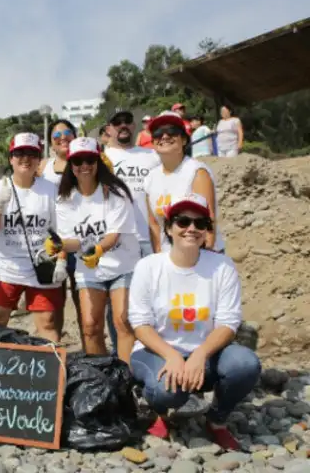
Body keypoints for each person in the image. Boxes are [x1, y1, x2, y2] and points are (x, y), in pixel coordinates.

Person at [128, 193, 261, 449]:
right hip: (156, 350)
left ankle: (217, 420)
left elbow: (228, 322)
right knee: (168, 391)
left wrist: (200, 355)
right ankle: (161, 411)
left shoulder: (222, 267)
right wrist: (172, 356)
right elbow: (141, 324)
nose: (191, 228)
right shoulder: (149, 267)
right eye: (183, 221)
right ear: (169, 228)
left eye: (200, 223)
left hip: (205, 353)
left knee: (245, 364)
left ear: (206, 231)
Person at [46, 137, 139, 363]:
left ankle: (127, 377)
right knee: (90, 326)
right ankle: (101, 375)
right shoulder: (65, 200)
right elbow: (73, 241)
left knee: (122, 321)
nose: (84, 166)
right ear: (71, 165)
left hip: (122, 266)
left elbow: (114, 234)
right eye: (78, 161)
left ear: (98, 162)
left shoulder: (116, 192)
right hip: (89, 271)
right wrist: (59, 246)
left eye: (90, 159)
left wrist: (98, 250)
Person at [0, 132, 63, 343]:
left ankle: (50, 372)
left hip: (42, 266)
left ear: (38, 159)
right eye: (19, 154)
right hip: (6, 267)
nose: (25, 159)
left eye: (31, 154)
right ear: (11, 158)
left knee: (47, 323)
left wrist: (61, 259)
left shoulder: (50, 190)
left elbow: (61, 232)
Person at [103, 109, 161, 356]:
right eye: (117, 123)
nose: (123, 126)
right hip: (116, 240)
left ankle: (151, 353)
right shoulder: (101, 157)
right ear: (108, 129)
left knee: (152, 302)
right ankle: (121, 357)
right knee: (118, 308)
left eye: (127, 121)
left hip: (149, 238)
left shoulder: (151, 156)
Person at [145, 111, 225, 253]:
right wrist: (160, 257)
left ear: (184, 139)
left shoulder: (197, 173)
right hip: (170, 260)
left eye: (172, 131)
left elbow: (208, 227)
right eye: (158, 133)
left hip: (200, 257)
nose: (164, 136)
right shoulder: (150, 178)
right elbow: (154, 225)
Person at [37, 119, 81, 342]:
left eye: (67, 133)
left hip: (81, 239)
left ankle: (90, 353)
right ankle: (57, 352)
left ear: (75, 136)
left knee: (83, 301)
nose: (62, 137)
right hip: (52, 241)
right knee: (54, 302)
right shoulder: (43, 166)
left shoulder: (86, 161)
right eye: (57, 135)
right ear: (51, 144)